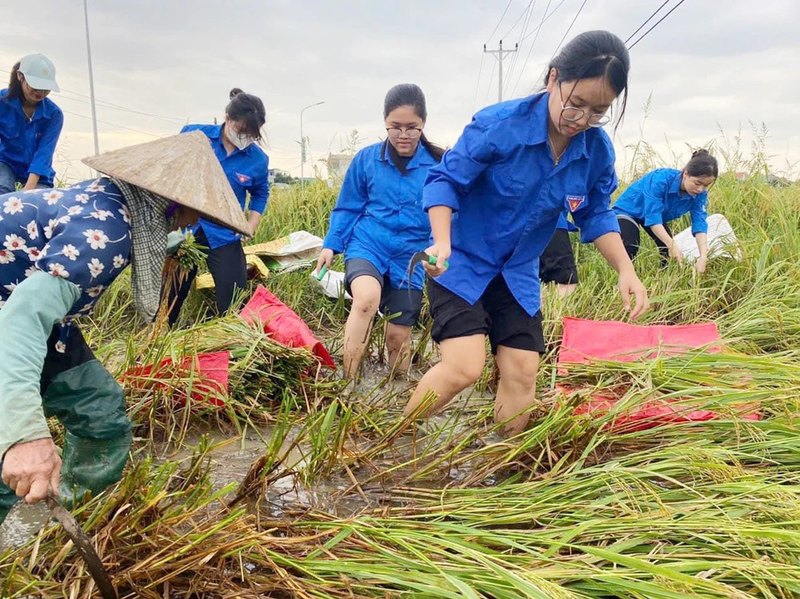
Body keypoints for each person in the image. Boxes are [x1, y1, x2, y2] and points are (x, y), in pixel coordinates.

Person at [403, 30, 650, 435]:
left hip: (517, 271)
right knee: (464, 367)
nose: (582, 121)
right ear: (554, 79)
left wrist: (626, 269)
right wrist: (442, 241)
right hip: (461, 260)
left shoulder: (596, 151)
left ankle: (501, 469)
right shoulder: (500, 126)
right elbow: (444, 181)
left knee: (523, 371)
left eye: (597, 111)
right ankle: (395, 441)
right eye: (576, 105)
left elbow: (596, 213)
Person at [0, 131, 250, 523]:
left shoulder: (115, 205)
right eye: (195, 210)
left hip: (31, 313)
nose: (196, 221)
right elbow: (20, 320)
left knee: (100, 412)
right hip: (12, 319)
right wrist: (23, 433)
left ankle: (76, 528)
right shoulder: (106, 234)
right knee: (9, 446)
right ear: (171, 203)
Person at [316, 84, 444, 378]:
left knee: (397, 339)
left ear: (423, 123)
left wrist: (439, 250)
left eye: (411, 128)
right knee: (365, 301)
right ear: (385, 123)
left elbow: (447, 215)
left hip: (412, 257)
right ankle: (347, 381)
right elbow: (348, 207)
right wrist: (331, 245)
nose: (403, 135)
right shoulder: (366, 159)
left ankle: (395, 392)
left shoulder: (438, 165)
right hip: (369, 244)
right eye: (395, 127)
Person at [166, 88, 270, 326]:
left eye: (252, 134)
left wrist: (251, 224)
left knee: (234, 301)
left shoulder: (257, 160)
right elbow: (168, 168)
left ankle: (228, 341)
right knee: (169, 294)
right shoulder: (195, 136)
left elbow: (260, 192)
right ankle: (161, 336)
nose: (245, 137)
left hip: (224, 232)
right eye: (241, 131)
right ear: (227, 118)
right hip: (184, 229)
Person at [613, 150, 718, 273]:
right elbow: (653, 217)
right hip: (628, 211)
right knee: (630, 246)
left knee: (668, 252)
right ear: (686, 174)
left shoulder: (700, 195)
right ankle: (625, 278)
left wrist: (703, 257)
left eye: (706, 185)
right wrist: (671, 244)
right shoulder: (661, 180)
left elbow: (700, 224)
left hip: (656, 215)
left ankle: (662, 279)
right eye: (697, 183)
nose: (700, 189)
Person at [0, 54, 63, 194]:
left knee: (37, 201)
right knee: (2, 189)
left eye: (45, 88)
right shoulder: (2, 102)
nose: (40, 92)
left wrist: (27, 192)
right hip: (5, 162)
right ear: (20, 76)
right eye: (35, 86)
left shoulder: (54, 115)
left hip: (38, 170)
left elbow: (44, 154)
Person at [539, 211, 579, 297]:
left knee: (534, 279)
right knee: (565, 281)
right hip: (551, 222)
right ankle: (553, 309)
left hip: (514, 226)